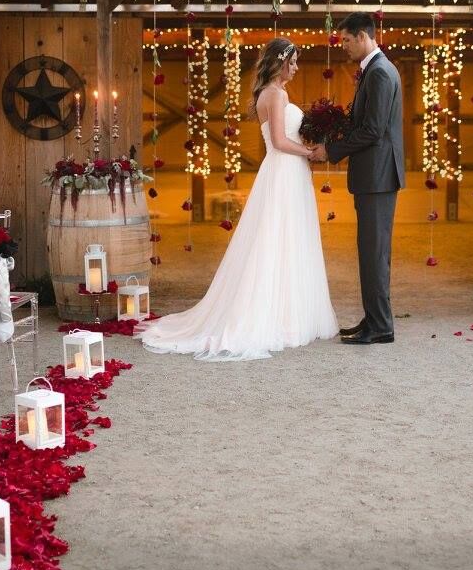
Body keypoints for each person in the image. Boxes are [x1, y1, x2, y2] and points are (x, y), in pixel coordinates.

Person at [136, 37, 338, 360]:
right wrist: (310, 152)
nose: (297, 68)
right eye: (294, 62)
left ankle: (288, 311)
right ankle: (280, 317)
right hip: (284, 168)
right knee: (277, 239)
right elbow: (279, 141)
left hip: (287, 172)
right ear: (280, 62)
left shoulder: (270, 93)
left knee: (288, 238)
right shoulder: (275, 94)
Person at [310, 12, 405, 345]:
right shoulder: (377, 70)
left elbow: (373, 130)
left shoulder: (379, 73)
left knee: (374, 252)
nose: (345, 47)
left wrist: (332, 150)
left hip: (378, 177)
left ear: (363, 36)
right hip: (375, 176)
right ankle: (375, 320)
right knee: (371, 251)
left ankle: (381, 327)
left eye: (347, 41)